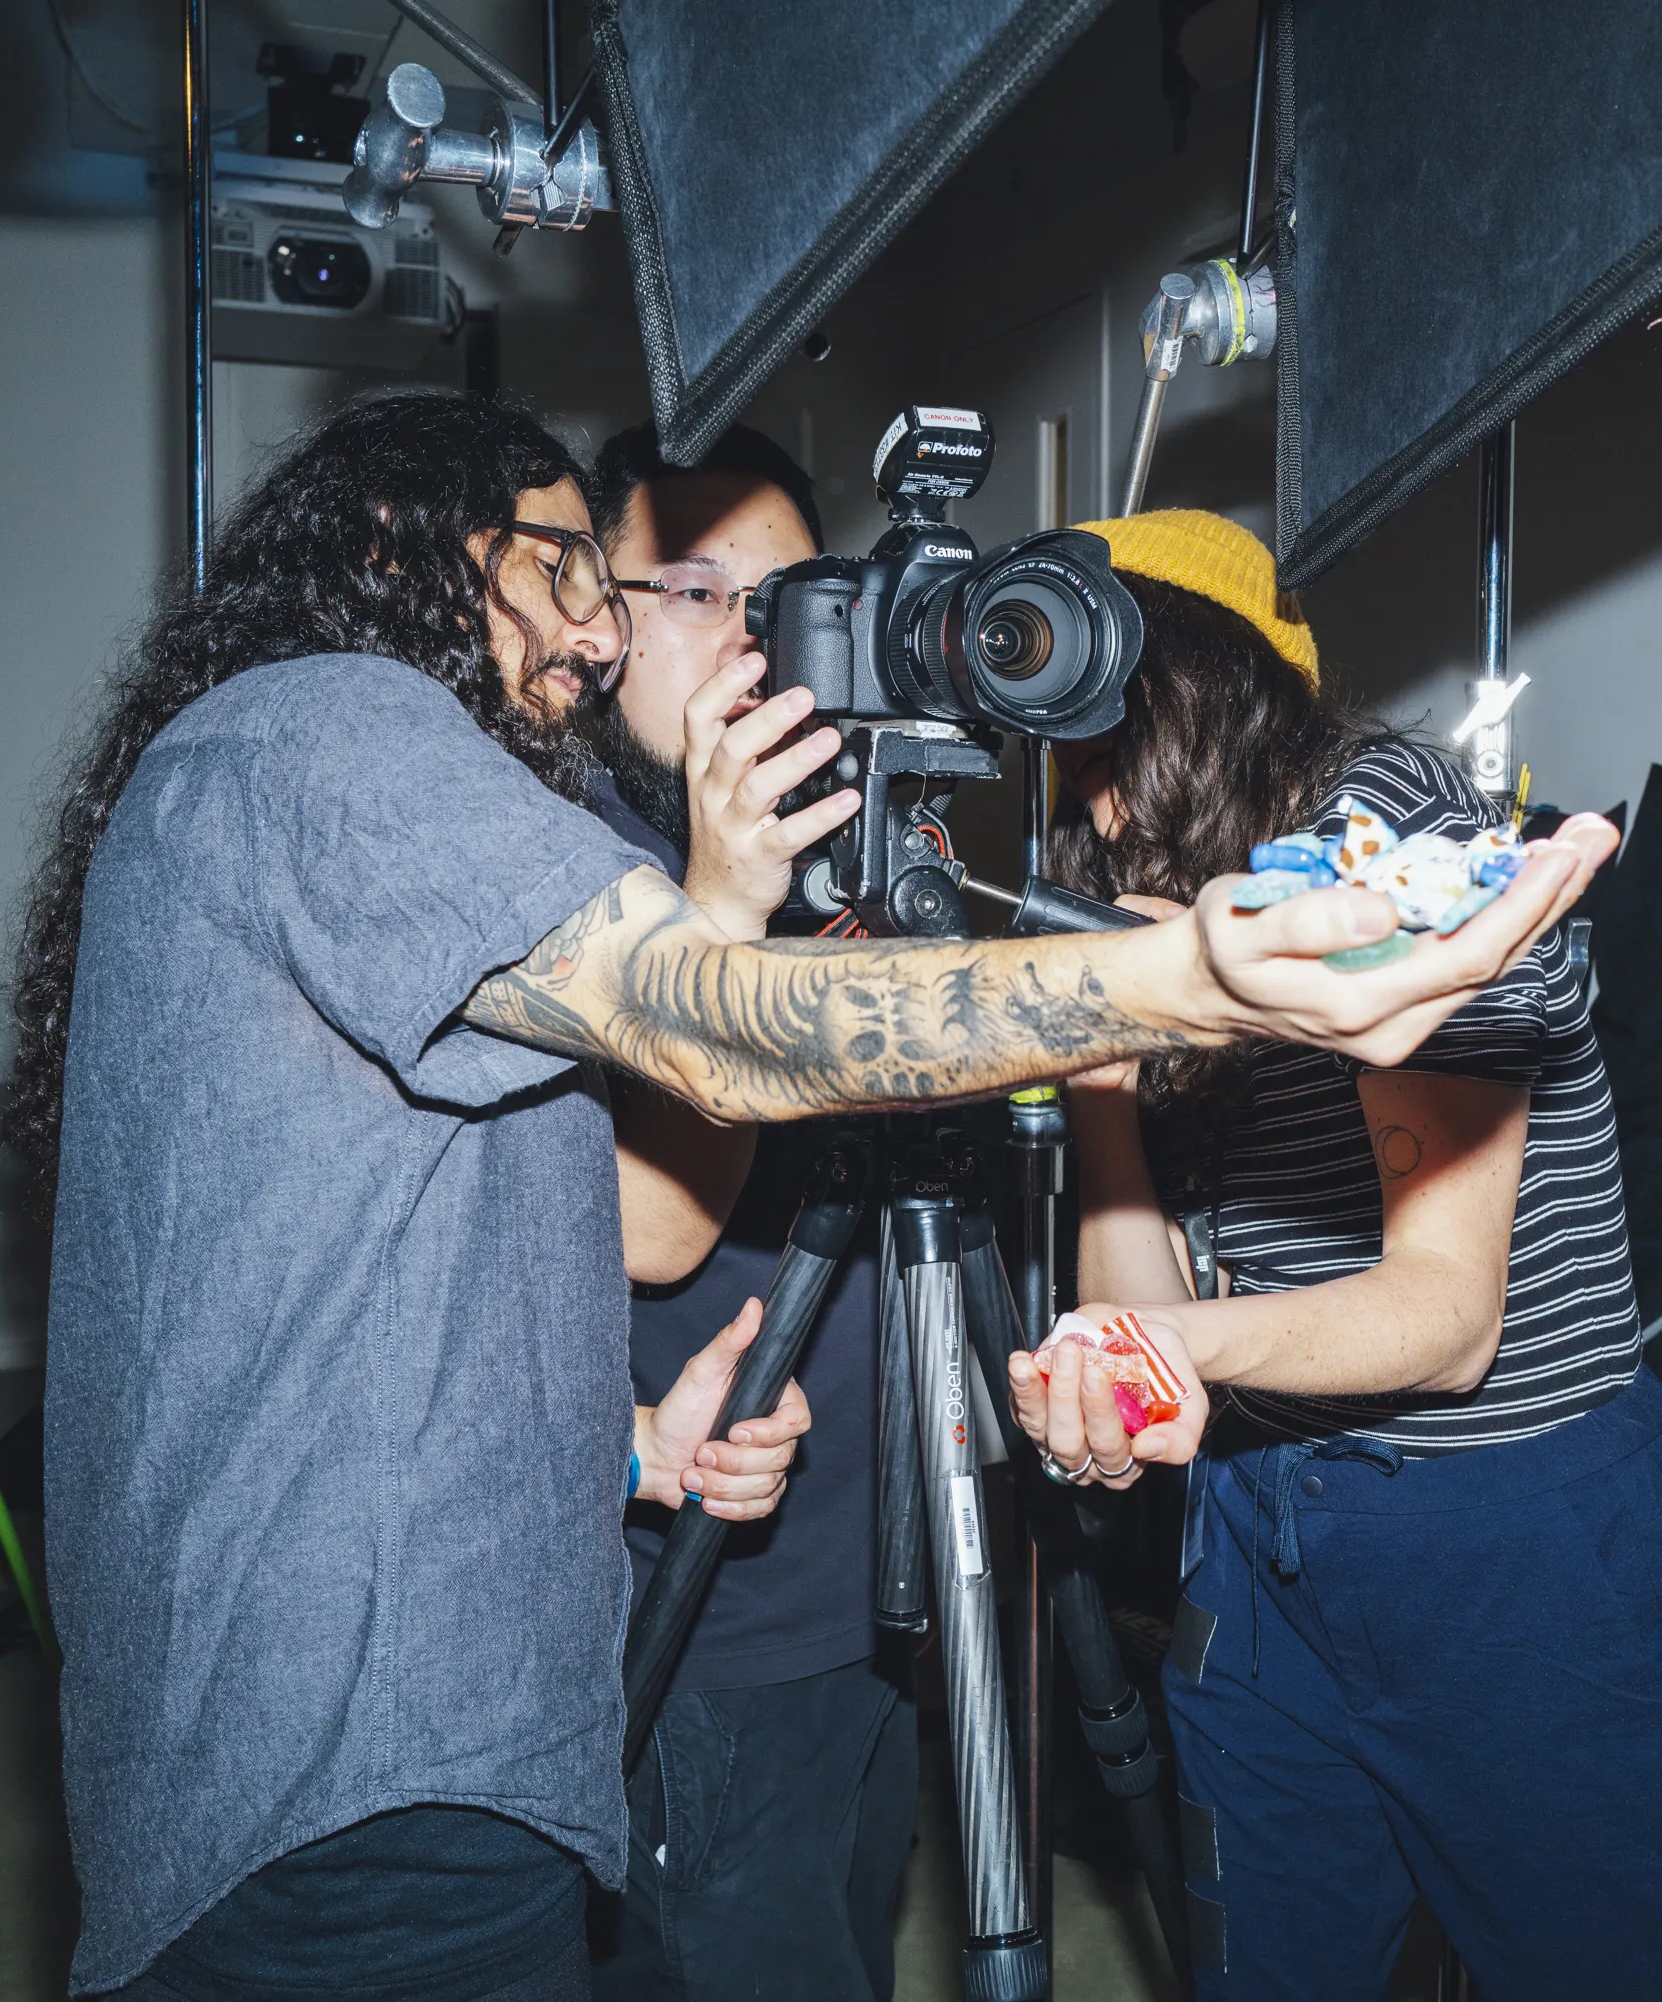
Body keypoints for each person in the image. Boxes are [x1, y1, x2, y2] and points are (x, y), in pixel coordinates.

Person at [4, 398, 1616, 2002]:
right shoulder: (342, 734)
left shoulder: (365, 800)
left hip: (398, 1723)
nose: (593, 631)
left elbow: (376, 1258)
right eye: (574, 569)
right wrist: (1181, 974)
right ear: (395, 548)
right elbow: (710, 1027)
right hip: (353, 1757)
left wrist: (626, 1440)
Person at [1005, 511, 1662, 2000]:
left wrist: (1167, 1356)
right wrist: (1104, 1078)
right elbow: (1158, 1347)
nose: (1084, 811)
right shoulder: (1190, 910)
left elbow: (1440, 1319)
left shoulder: (1394, 840)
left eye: (1102, 749)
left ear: (1194, 696)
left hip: (1516, 1542)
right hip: (1267, 1529)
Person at [574, 424, 916, 2002]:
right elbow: (653, 1233)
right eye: (701, 587)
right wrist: (730, 897)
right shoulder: (582, 879)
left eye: (787, 596)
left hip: (888, 1588)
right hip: (702, 1617)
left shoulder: (857, 858)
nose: (751, 636)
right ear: (600, 612)